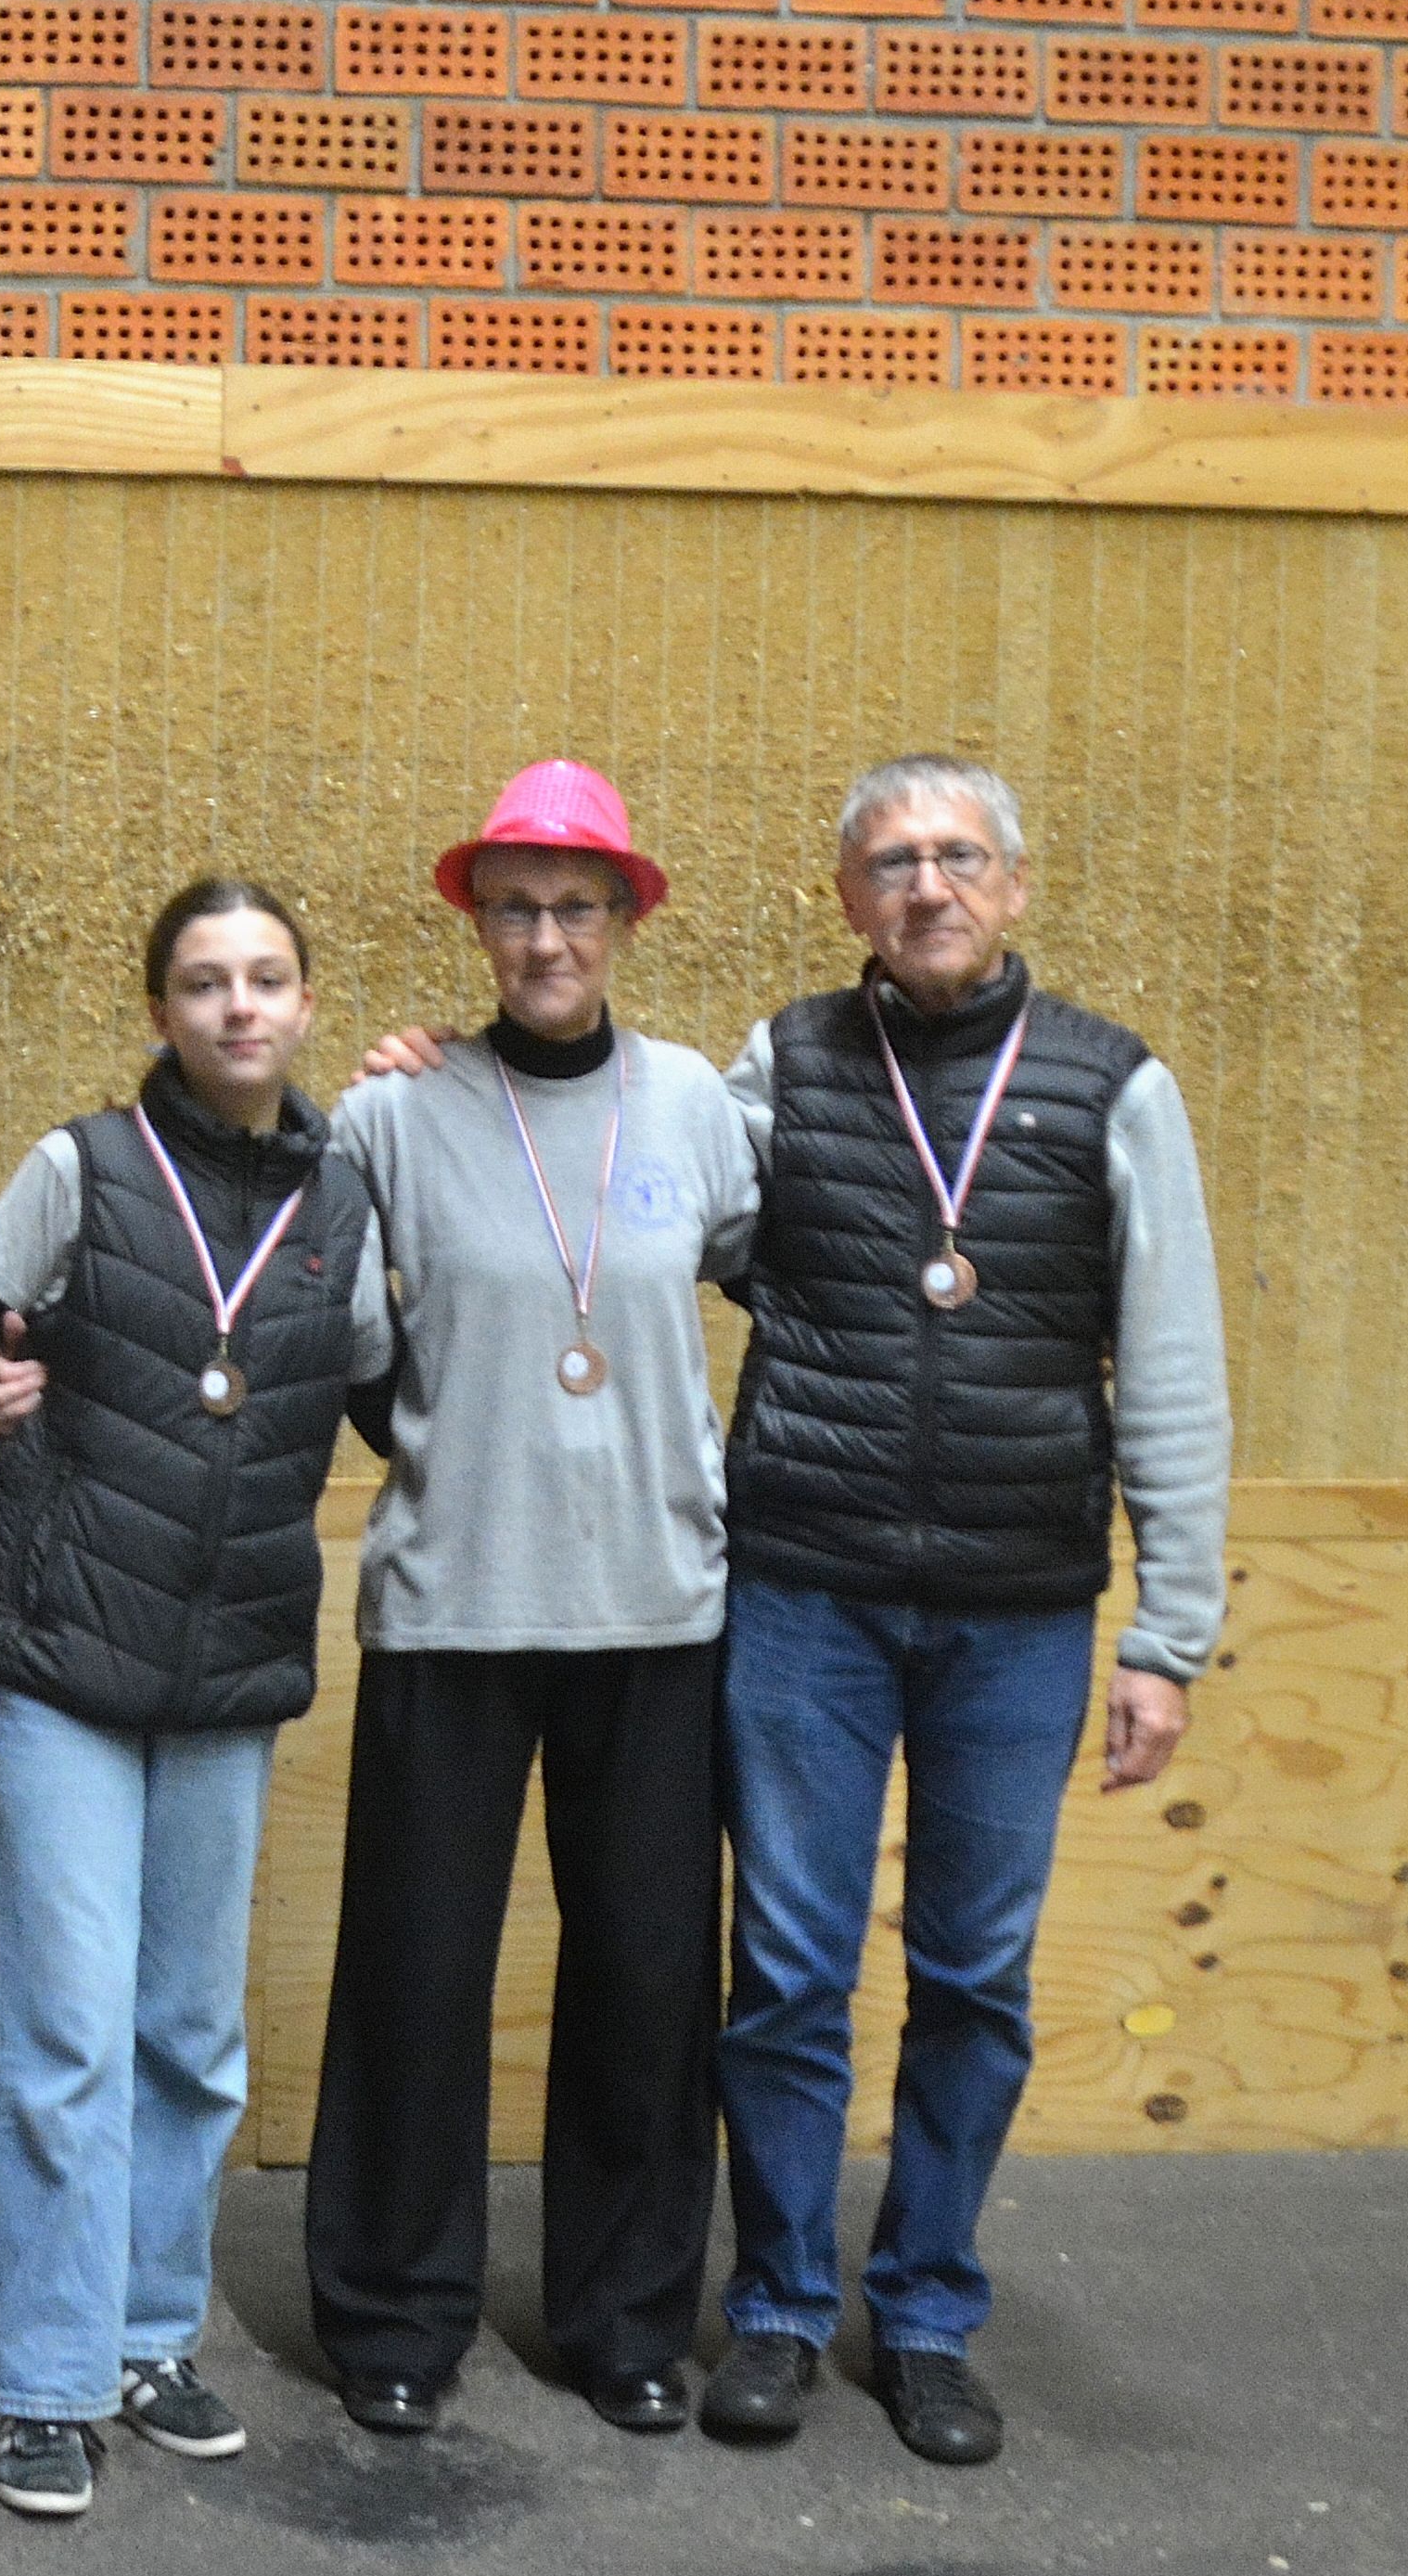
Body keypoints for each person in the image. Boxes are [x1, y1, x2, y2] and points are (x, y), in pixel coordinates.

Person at [700, 754, 1228, 2467]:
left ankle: (924, 2312)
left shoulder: (1110, 1084)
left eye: (956, 855)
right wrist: (453, 1089)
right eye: (888, 862)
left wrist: (1169, 1634)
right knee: (786, 1967)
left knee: (973, 1978)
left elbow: (1171, 1369)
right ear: (845, 897)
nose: (923, 885)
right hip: (807, 1589)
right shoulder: (781, 1063)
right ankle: (778, 2304)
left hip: (1017, 1611)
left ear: (1012, 884)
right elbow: (631, 1201)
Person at [0, 879, 383, 2520]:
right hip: (57, 1663)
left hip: (228, 1673)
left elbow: (387, 1401)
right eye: (203, 980)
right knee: (62, 2036)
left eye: (266, 977)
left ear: (304, 1004)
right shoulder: (80, 1168)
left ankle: (144, 2335)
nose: (238, 1005)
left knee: (188, 2035)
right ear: (161, 1008)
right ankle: (43, 2380)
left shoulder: (343, 1195)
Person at [297, 763, 756, 2442]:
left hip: (655, 1606)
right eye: (512, 907)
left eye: (574, 906)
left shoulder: (695, 1104)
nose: (543, 937)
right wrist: (448, 1440)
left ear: (623, 917)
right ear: (474, 924)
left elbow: (797, 1285)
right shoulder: (389, 1115)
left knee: (645, 1979)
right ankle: (392, 2315)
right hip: (456, 1599)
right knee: (415, 1975)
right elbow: (334, 1337)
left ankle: (625, 2318)